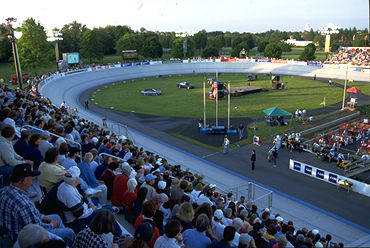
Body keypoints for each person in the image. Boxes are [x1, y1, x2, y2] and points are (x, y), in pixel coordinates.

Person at [0, 163, 75, 246]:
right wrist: (52, 225)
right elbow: (37, 229)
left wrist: (43, 217)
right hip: (22, 238)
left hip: (11, 230)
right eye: (31, 179)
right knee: (70, 232)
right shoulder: (23, 204)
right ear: (23, 181)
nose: (32, 182)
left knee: (56, 217)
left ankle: (58, 242)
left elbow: (32, 217)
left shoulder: (5, 191)